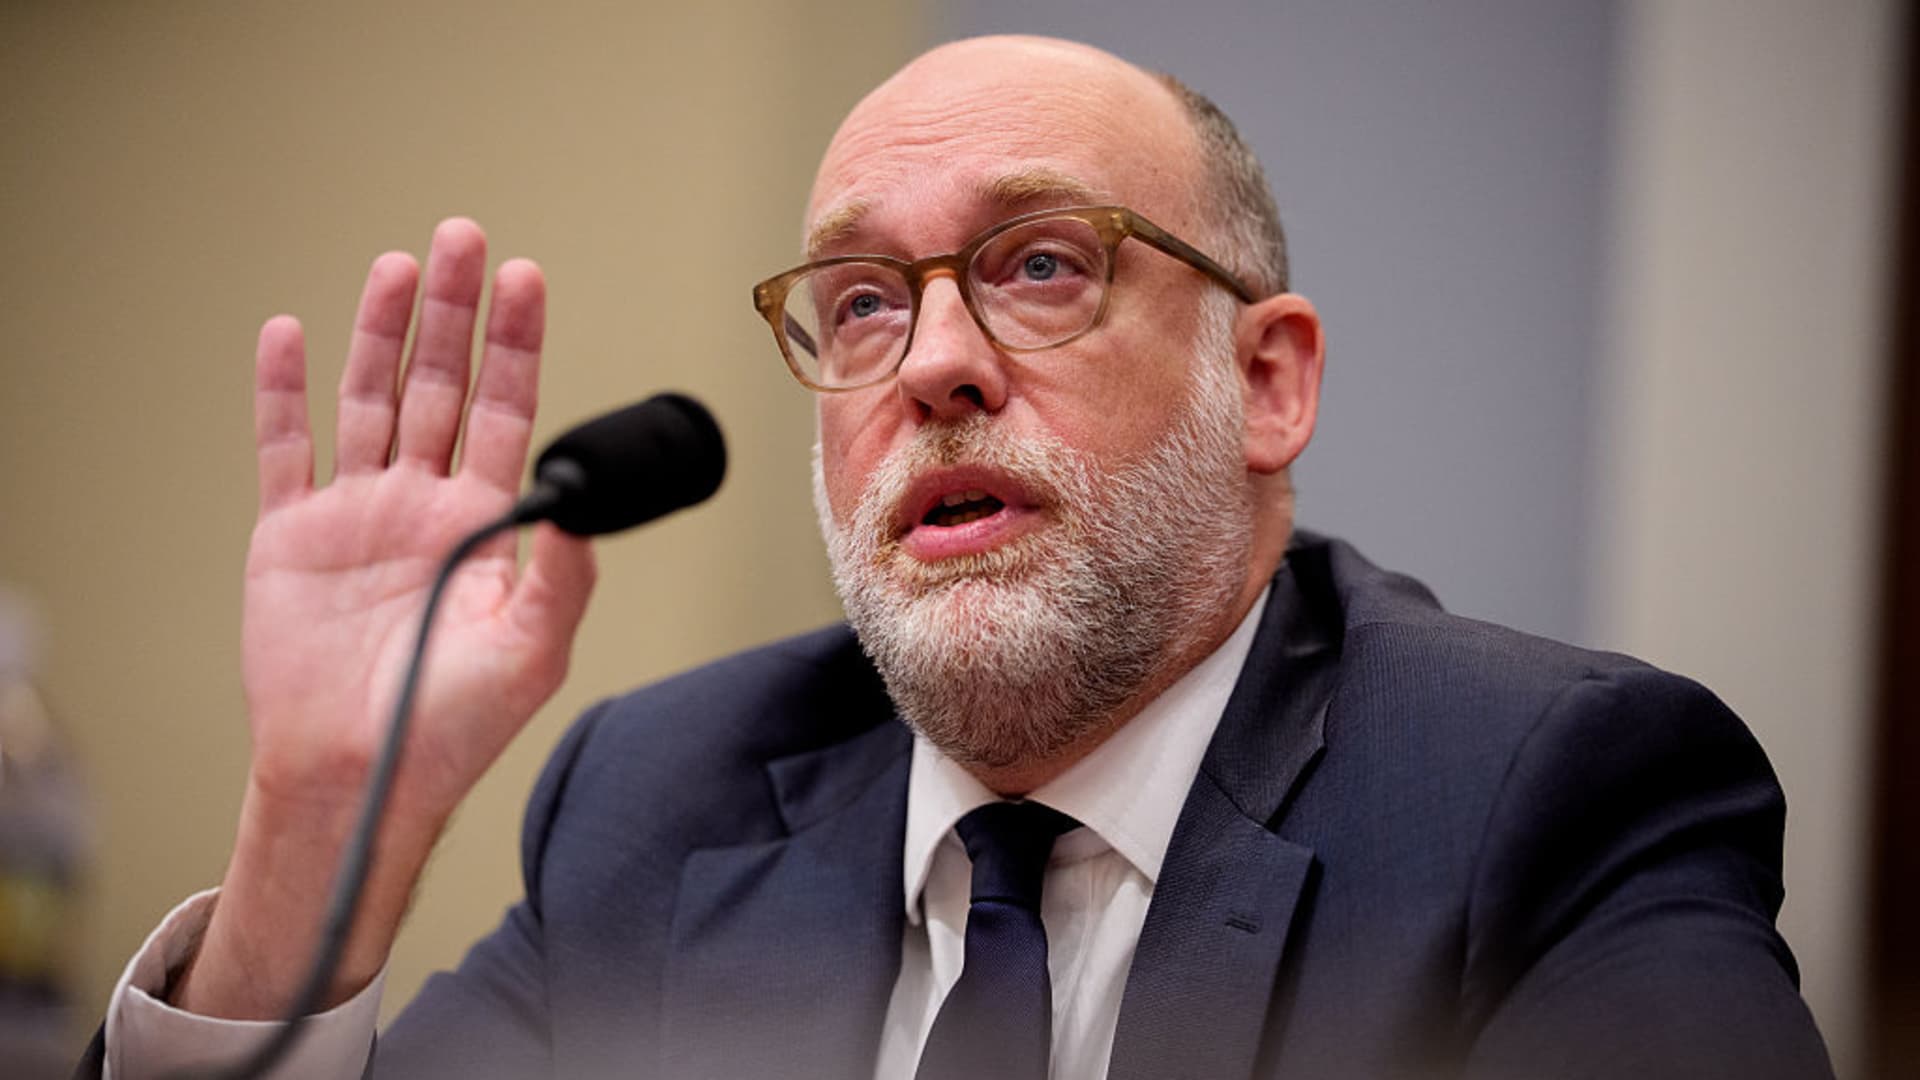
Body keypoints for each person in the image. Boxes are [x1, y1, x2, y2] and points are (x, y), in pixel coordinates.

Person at [87, 34, 1831, 1079]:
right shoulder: (661, 799)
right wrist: (326, 812)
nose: (932, 363)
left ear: (1267, 381)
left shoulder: (1546, 797)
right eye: (861, 300)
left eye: (1043, 265)